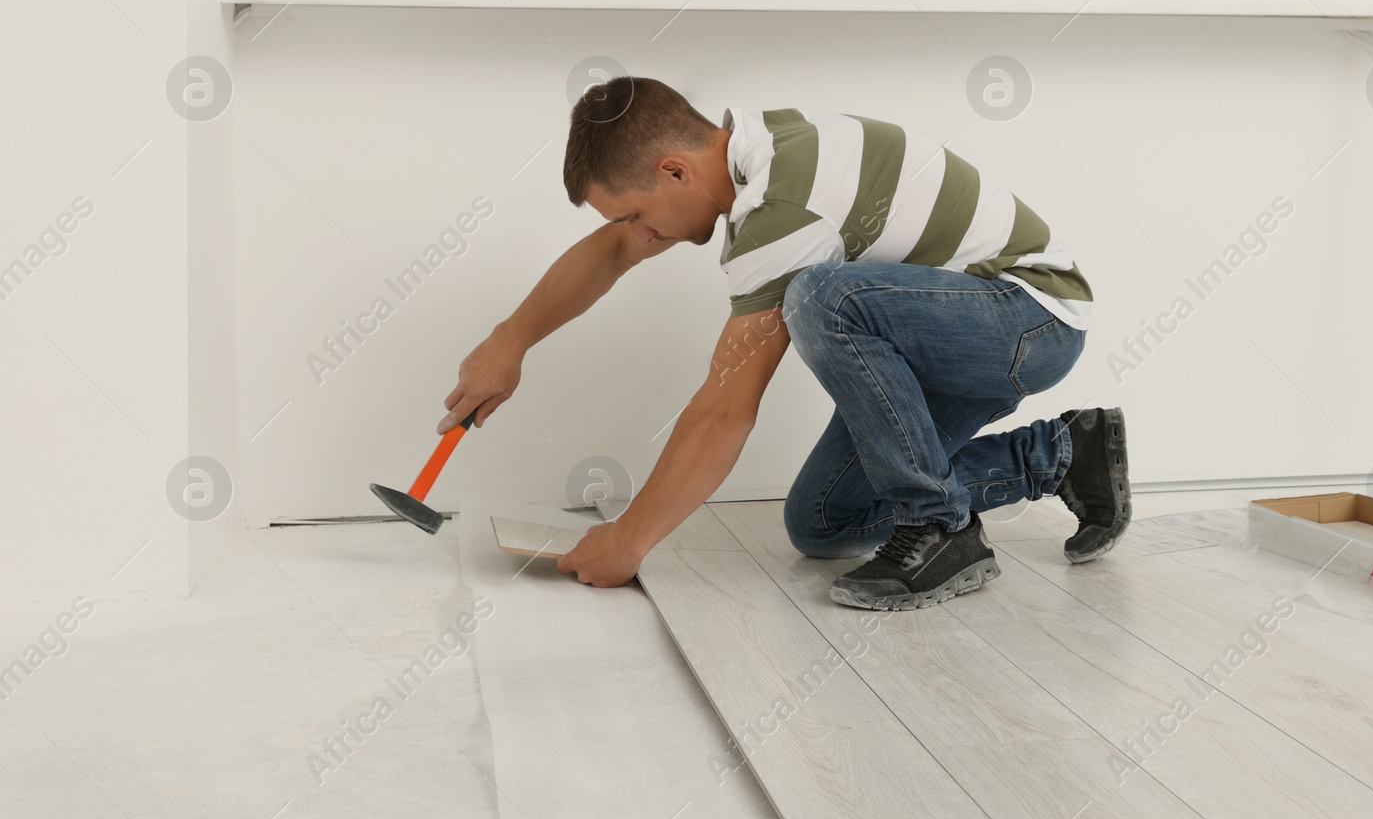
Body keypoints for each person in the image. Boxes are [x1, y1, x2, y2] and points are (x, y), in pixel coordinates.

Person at [439, 76, 1130, 610]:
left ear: (675, 171)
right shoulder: (751, 153)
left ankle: (940, 529)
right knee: (824, 521)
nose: (640, 234)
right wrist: (511, 341)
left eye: (637, 214)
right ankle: (1064, 453)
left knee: (821, 297)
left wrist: (627, 539)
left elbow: (725, 407)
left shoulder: (780, 207)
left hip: (1029, 317)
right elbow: (613, 250)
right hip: (953, 335)